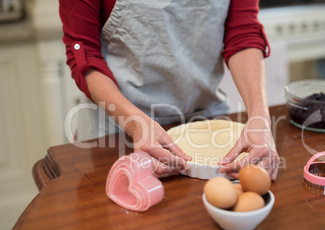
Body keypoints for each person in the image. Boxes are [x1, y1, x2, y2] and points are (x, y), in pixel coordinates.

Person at [59, 0, 280, 180]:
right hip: (117, 131)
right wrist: (135, 123)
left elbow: (242, 33)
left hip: (205, 123)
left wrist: (260, 117)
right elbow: (83, 51)